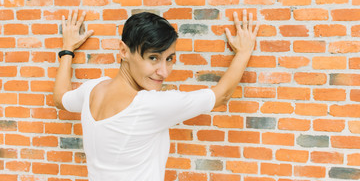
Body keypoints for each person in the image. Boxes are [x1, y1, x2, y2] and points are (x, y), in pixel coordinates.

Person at [53, 10, 259, 181]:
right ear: (124, 51)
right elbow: (221, 96)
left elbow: (60, 98)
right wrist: (243, 52)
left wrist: (67, 50)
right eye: (153, 58)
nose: (164, 71)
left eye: (169, 59)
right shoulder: (149, 105)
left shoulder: (92, 89)